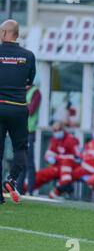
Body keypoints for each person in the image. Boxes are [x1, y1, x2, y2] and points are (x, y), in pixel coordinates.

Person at [0, 19, 36, 204]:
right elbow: (29, 82)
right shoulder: (28, 55)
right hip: (18, 107)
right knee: (20, 148)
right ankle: (12, 179)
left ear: (6, 33)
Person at [46, 124, 94, 199]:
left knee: (68, 174)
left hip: (93, 170)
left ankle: (58, 191)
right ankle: (61, 189)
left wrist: (83, 162)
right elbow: (82, 155)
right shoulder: (91, 143)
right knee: (67, 169)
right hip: (82, 167)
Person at [32, 121, 80, 197]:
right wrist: (51, 159)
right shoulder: (55, 139)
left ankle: (59, 190)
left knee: (66, 164)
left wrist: (59, 158)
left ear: (63, 129)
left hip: (70, 168)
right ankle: (25, 189)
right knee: (40, 174)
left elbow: (77, 158)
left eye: (58, 130)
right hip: (57, 167)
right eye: (54, 130)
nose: (56, 132)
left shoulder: (71, 139)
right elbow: (48, 155)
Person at [17, 84, 41, 195]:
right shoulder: (23, 91)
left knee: (30, 163)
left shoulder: (35, 92)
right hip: (21, 131)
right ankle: (19, 189)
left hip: (30, 131)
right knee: (21, 161)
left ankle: (31, 191)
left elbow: (30, 110)